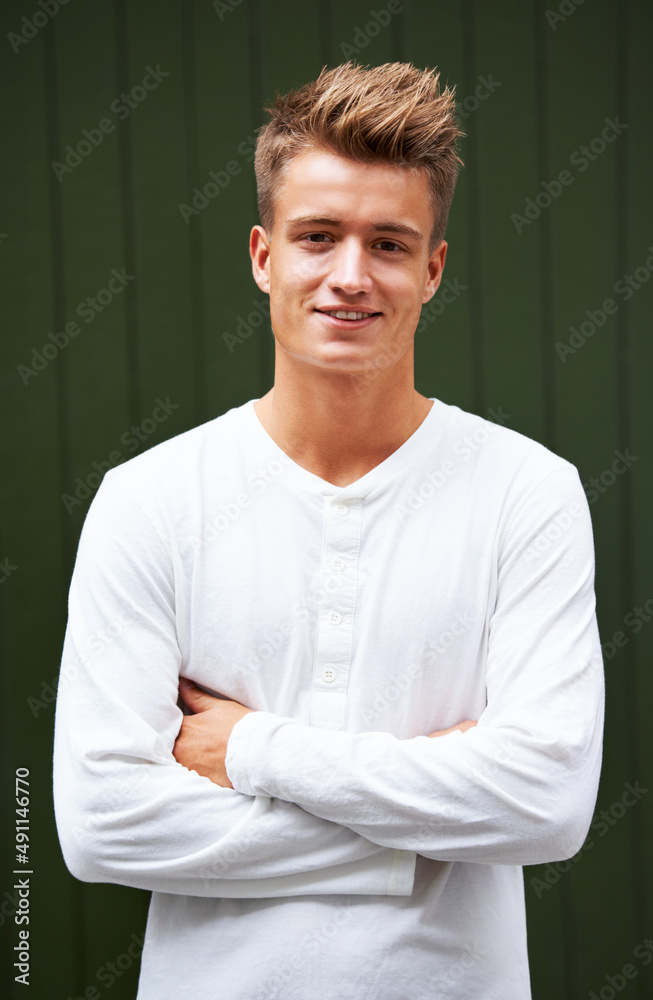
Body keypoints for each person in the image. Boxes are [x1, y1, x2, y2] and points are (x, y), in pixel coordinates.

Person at [53, 61, 605, 999]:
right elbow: (102, 823)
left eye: (388, 244)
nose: (349, 276)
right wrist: (420, 833)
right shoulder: (149, 498)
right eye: (318, 238)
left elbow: (546, 805)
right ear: (265, 255)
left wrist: (256, 753)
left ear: (432, 270)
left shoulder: (529, 493)